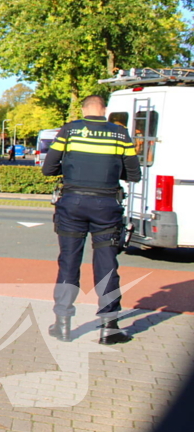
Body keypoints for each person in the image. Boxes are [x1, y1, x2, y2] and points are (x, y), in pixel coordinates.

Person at [41, 94, 141, 344]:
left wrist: (73, 170)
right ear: (104, 110)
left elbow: (48, 168)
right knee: (107, 264)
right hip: (107, 207)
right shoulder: (120, 134)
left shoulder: (69, 131)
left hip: (72, 204)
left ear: (84, 110)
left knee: (68, 263)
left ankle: (62, 324)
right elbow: (134, 174)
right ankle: (109, 328)